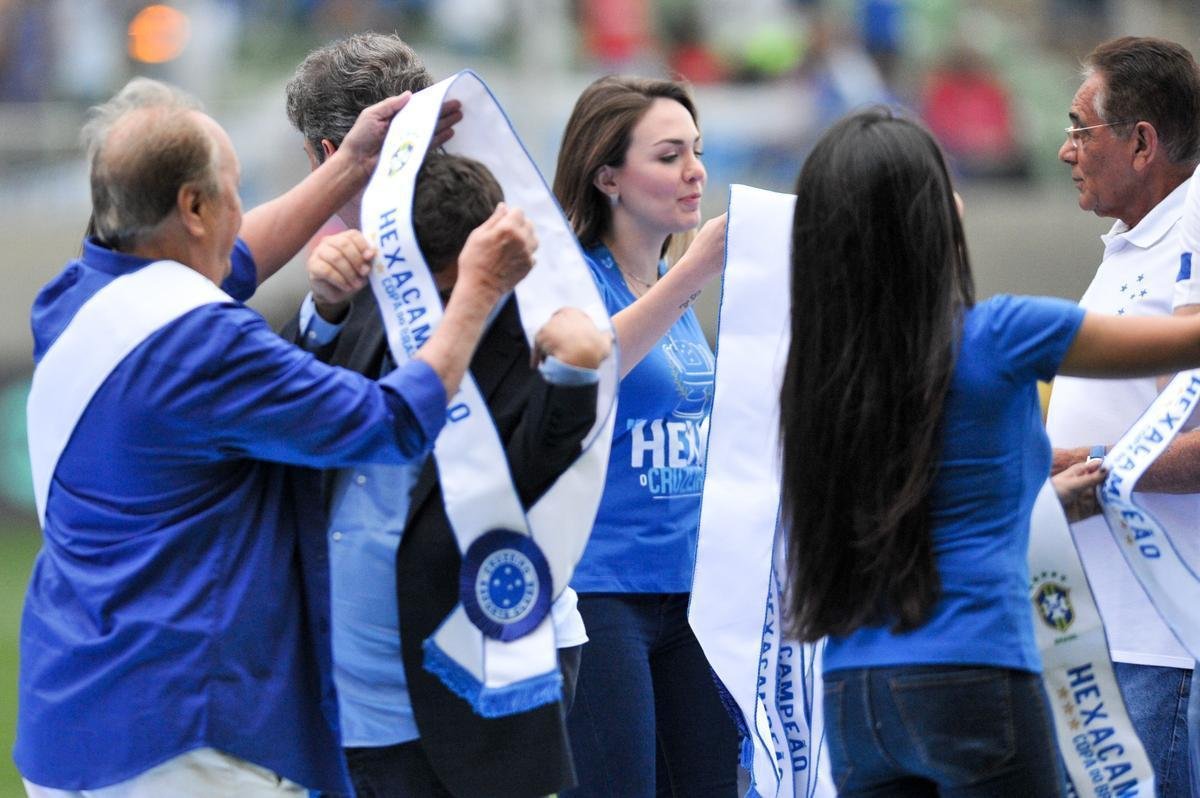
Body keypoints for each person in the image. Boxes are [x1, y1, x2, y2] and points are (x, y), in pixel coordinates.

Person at [17, 80, 536, 797]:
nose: (242, 209)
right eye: (234, 189)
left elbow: (233, 260)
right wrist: (477, 289)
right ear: (193, 208)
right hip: (184, 734)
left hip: (70, 718)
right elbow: (393, 421)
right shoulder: (206, 346)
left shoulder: (76, 296)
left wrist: (350, 164)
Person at [778, 106, 1200, 796]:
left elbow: (922, 502)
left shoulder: (819, 372)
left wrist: (1043, 502)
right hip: (978, 675)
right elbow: (1187, 342)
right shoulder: (1002, 334)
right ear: (929, 212)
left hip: (855, 691)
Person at [282, 34, 611, 798]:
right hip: (351, 702)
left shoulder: (499, 249)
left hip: (472, 685)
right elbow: (304, 427)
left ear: (327, 151)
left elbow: (545, 450)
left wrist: (567, 370)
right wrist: (324, 315)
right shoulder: (353, 275)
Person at [552, 76, 736, 797]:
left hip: (689, 590)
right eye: (669, 155)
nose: (695, 171)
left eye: (697, 151)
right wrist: (692, 274)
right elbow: (592, 368)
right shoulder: (571, 279)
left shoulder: (667, 282)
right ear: (607, 176)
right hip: (601, 589)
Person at [1045, 36, 1200, 796]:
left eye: (1080, 128)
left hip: (1160, 636)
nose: (1067, 150)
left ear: (1141, 142)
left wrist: (1082, 469)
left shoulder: (1195, 230)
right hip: (1094, 629)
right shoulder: (1131, 243)